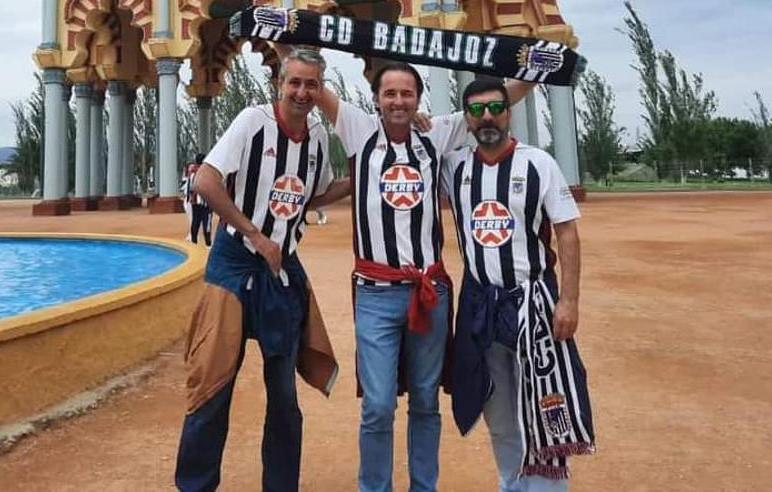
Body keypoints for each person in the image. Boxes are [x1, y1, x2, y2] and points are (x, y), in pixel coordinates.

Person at [306, 58, 531, 492]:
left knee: (427, 401)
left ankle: (423, 487)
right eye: (390, 93)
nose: (398, 101)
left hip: (430, 293)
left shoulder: (434, 135)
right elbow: (316, 89)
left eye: (407, 94)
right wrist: (286, 43)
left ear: (417, 100)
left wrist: (536, 71)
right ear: (375, 100)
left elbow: (497, 102)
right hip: (375, 294)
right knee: (377, 405)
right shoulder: (358, 130)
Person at [175, 48, 341, 492]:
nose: (303, 92)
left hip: (281, 271)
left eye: (312, 85)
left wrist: (372, 170)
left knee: (284, 395)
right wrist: (255, 234)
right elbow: (206, 181)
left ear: (320, 89)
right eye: (295, 83)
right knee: (212, 386)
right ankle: (195, 484)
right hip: (232, 266)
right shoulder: (253, 122)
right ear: (280, 84)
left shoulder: (318, 137)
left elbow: (316, 194)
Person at [441, 76, 594, 490]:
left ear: (509, 112)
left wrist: (569, 301)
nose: (486, 116)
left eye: (494, 107)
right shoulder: (453, 167)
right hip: (480, 304)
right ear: (465, 120)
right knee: (500, 410)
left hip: (533, 301)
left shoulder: (538, 163)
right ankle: (512, 483)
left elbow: (566, 233)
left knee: (546, 403)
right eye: (475, 110)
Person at [182, 153, 212, 246]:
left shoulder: (192, 173)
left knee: (195, 222)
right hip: (206, 203)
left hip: (195, 202)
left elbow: (189, 188)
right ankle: (208, 244)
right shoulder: (207, 172)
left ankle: (194, 243)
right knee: (206, 224)